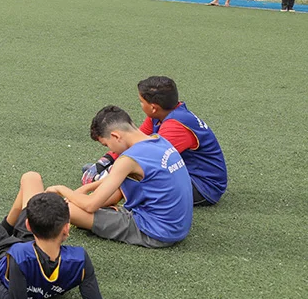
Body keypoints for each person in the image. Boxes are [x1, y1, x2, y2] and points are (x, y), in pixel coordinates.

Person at [48, 105, 193, 248]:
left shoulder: (127, 160)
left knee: (66, 209)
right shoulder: (159, 140)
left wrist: (61, 189)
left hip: (156, 232)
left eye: (106, 145)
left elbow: (90, 205)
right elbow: (115, 186)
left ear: (115, 136)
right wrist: (86, 188)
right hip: (177, 226)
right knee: (86, 202)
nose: (110, 150)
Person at [133, 76, 227, 206]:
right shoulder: (161, 114)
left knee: (135, 178)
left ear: (153, 107)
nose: (141, 105)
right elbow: (135, 141)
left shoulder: (175, 126)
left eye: (141, 102)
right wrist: (107, 160)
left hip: (204, 187)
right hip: (185, 173)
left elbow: (152, 160)